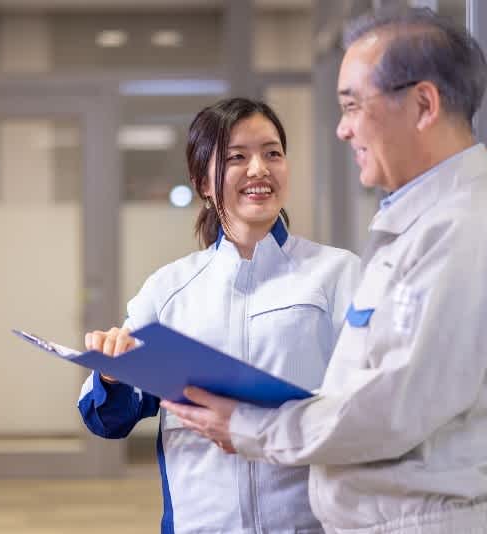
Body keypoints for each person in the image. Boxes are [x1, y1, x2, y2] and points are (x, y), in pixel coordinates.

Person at [161, 8, 487, 534]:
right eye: (236, 157)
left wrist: (246, 426)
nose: (342, 129)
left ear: (423, 104)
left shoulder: (461, 234)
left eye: (354, 105)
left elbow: (389, 411)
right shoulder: (419, 226)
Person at [77, 97, 361, 534]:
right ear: (202, 182)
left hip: (309, 523)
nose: (258, 170)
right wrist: (111, 374)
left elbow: (369, 402)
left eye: (272, 153)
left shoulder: (337, 274)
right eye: (236, 157)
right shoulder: (170, 290)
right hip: (200, 524)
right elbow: (108, 419)